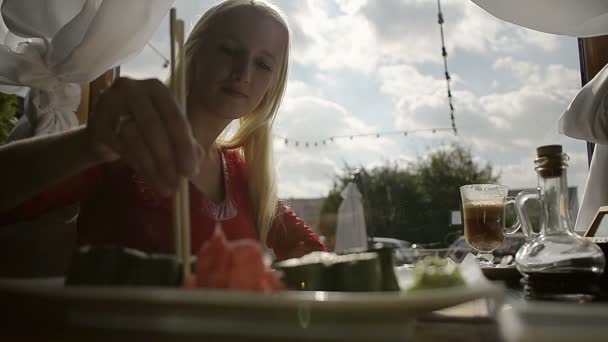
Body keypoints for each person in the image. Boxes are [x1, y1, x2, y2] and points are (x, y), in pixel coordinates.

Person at [0, 0, 326, 262]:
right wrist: (89, 144)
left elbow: (316, 257)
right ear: (192, 54)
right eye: (228, 50)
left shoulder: (246, 177)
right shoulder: (128, 142)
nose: (242, 72)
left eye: (263, 64)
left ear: (273, 86)